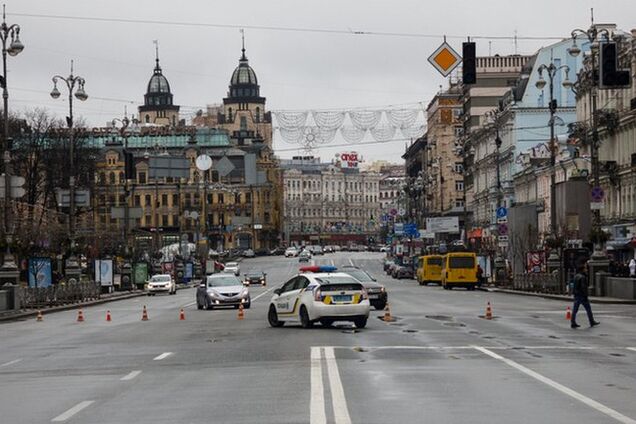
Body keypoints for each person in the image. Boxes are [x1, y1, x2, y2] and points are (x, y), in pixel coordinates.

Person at [571, 262, 600, 329]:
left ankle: (573, 322)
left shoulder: (576, 276)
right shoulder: (582, 277)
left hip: (576, 295)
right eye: (585, 269)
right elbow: (583, 287)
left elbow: (575, 286)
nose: (586, 270)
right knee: (588, 309)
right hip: (582, 296)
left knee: (575, 310)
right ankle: (591, 321)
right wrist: (585, 295)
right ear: (582, 270)